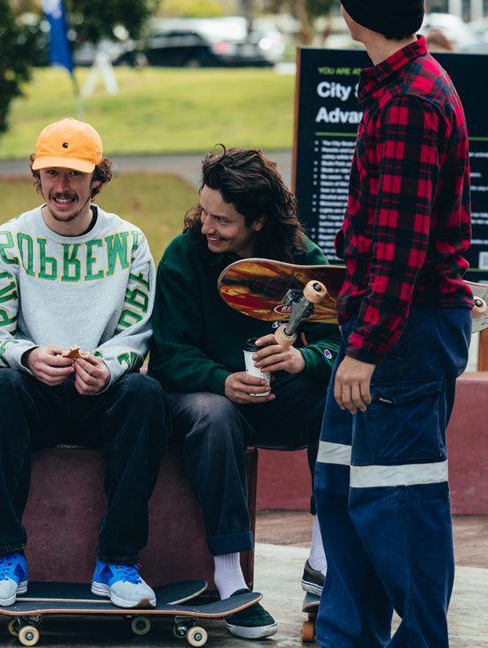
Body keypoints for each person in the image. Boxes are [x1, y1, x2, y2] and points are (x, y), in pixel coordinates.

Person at [316, 0, 474, 648]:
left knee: (398, 508)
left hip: (400, 340)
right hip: (380, 331)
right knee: (345, 497)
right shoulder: (398, 85)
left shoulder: (411, 100)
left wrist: (365, 351)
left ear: (352, 12)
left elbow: (403, 249)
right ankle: (347, 637)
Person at [0, 118, 169, 609]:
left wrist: (110, 368)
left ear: (98, 177)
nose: (62, 187)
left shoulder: (130, 243)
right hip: (33, 396)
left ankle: (119, 563)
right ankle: (4, 558)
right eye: (52, 173)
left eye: (75, 175)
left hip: (103, 394)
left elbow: (137, 334)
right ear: (36, 176)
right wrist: (27, 355)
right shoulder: (6, 244)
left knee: (147, 395)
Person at [148, 148, 340, 639]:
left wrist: (304, 359)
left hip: (279, 397)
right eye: (204, 211)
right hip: (203, 400)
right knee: (215, 416)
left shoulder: (300, 257)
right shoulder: (184, 256)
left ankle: (322, 563)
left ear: (258, 220)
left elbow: (339, 342)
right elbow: (168, 354)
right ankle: (230, 582)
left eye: (222, 220)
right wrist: (221, 380)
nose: (206, 227)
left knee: (338, 400)